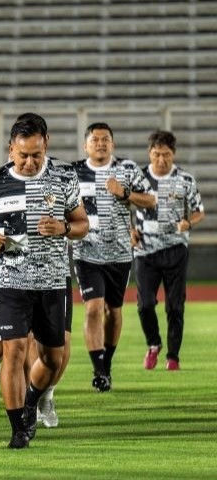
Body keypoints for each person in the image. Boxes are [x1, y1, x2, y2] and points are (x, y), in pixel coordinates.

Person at [0, 117, 88, 449]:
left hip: (51, 281)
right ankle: (18, 429)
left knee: (53, 357)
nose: (29, 162)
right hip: (10, 280)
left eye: (35, 154)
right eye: (22, 156)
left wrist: (63, 228)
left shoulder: (64, 177)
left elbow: (82, 224)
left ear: (45, 143)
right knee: (14, 351)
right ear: (11, 149)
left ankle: (32, 401)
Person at [71, 123, 154, 392]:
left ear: (113, 144)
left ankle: (107, 365)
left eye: (106, 139)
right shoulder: (73, 173)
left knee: (113, 312)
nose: (101, 143)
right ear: (85, 145)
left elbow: (151, 200)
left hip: (119, 253)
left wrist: (125, 193)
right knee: (94, 308)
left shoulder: (127, 169)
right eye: (95, 140)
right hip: (86, 252)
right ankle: (98, 371)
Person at [133, 130, 205, 371]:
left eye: (166, 155)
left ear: (173, 154)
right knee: (144, 305)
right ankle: (154, 344)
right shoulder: (138, 178)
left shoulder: (185, 180)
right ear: (149, 153)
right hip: (145, 250)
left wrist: (189, 222)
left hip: (175, 248)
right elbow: (122, 205)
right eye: (156, 154)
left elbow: (199, 210)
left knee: (175, 306)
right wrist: (130, 230)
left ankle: (173, 357)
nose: (161, 160)